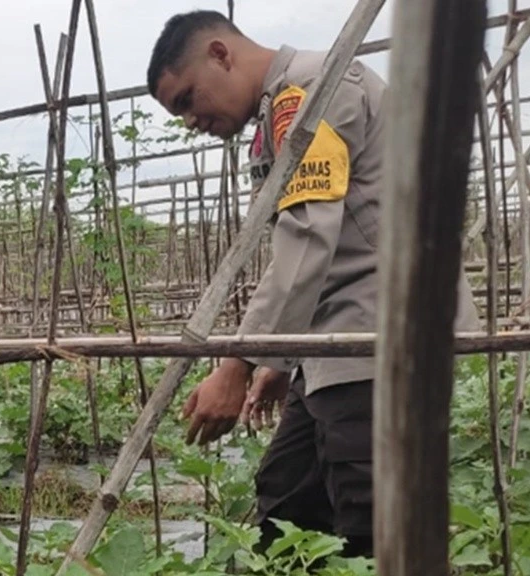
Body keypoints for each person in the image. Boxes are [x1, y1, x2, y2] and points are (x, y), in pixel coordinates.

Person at [145, 11, 481, 559]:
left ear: (220, 55)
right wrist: (282, 360)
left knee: (372, 525)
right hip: (331, 344)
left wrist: (240, 363)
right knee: (286, 500)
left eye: (186, 99)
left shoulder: (309, 93)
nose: (189, 120)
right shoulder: (282, 107)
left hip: (376, 338)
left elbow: (307, 238)